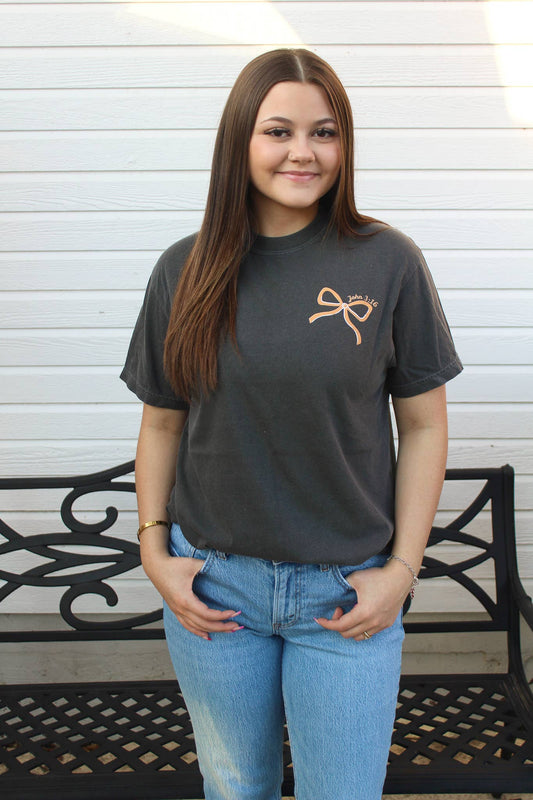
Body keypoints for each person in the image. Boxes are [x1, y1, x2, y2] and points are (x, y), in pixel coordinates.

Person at [121, 48, 463, 800]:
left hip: (346, 595)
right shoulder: (184, 270)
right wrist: (153, 550)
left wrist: (402, 572)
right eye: (278, 131)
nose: (303, 152)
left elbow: (424, 428)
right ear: (240, 141)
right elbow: (162, 425)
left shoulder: (388, 263)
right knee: (235, 788)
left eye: (324, 132)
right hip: (214, 590)